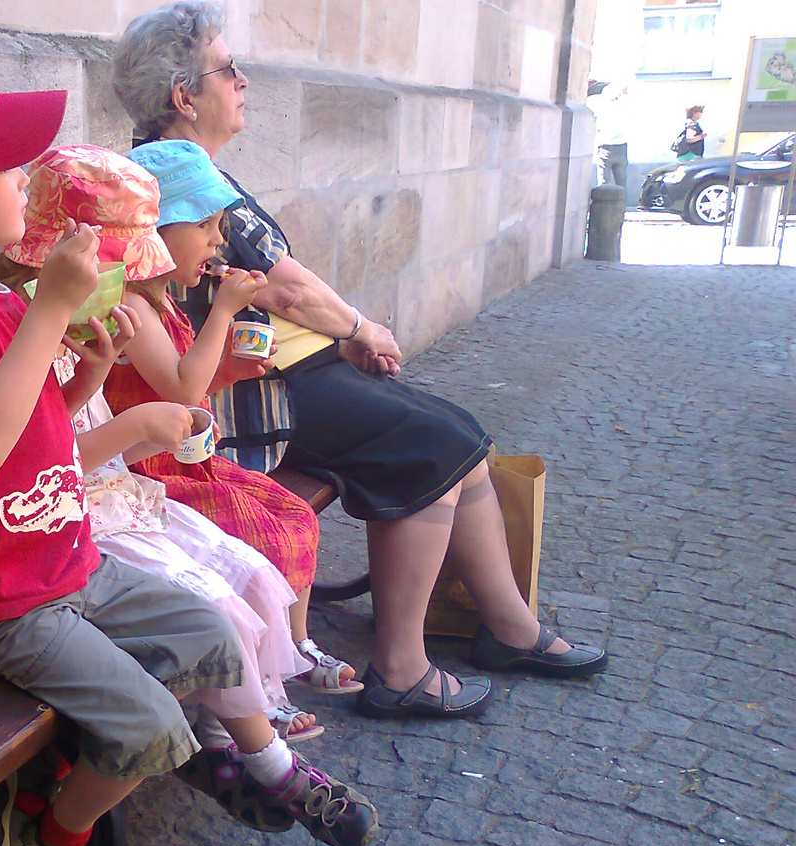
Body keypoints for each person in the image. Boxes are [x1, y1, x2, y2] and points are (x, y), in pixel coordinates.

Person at [0, 72, 375, 846]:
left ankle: (234, 760)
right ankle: (60, 828)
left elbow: (32, 429)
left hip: (71, 560)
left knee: (211, 636)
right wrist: (50, 310)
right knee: (155, 729)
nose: (22, 174)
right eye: (3, 164)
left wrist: (82, 383)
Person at [111, 1, 608, 720]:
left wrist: (342, 336)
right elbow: (281, 285)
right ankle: (404, 668)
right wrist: (360, 326)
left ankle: (508, 625)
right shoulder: (169, 181)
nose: (244, 80)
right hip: (256, 394)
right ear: (185, 96)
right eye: (229, 68)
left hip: (286, 372)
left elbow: (274, 281)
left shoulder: (191, 171)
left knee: (456, 431)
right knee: (432, 443)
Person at [589, 81, 630, 189]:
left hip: (605, 148)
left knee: (604, 184)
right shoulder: (625, 107)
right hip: (622, 148)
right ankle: (621, 205)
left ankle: (602, 205)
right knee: (621, 185)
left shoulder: (601, 108)